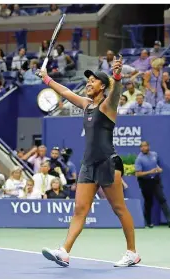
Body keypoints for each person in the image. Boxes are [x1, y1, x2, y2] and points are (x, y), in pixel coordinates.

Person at [37, 55, 141, 267]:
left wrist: (118, 77)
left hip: (108, 163)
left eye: (93, 80)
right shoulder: (86, 105)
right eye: (88, 80)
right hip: (88, 164)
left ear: (102, 86)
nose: (89, 82)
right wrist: (47, 79)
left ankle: (132, 252)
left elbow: (115, 92)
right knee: (79, 210)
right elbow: (65, 92)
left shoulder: (108, 106)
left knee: (119, 208)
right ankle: (64, 252)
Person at [134, 141, 170, 228]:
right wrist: (150, 172)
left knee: (162, 198)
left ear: (148, 146)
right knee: (148, 202)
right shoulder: (139, 159)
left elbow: (156, 164)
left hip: (156, 181)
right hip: (145, 182)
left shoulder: (154, 155)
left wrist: (158, 169)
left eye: (145, 146)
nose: (143, 148)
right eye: (141, 147)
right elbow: (138, 174)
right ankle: (148, 222)